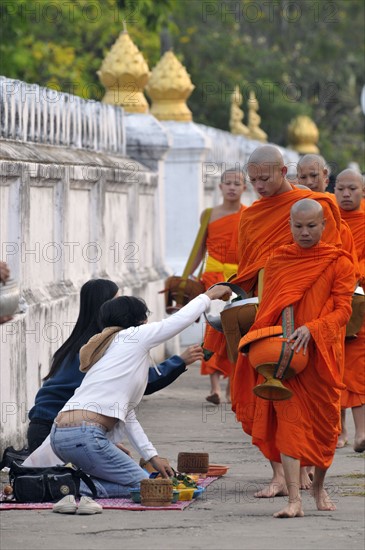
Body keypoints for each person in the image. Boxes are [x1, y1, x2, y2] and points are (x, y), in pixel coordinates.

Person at [228, 145, 348, 497]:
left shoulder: (319, 207)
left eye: (265, 178)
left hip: (317, 315)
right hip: (271, 312)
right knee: (272, 393)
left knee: (315, 398)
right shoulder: (251, 216)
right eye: (253, 180)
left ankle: (307, 470)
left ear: (283, 171)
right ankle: (281, 476)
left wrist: (320, 323)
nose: (259, 186)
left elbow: (334, 258)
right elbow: (248, 269)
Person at [49, 284, 231, 498]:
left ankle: (66, 482)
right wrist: (209, 296)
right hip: (84, 436)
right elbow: (177, 322)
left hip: (59, 436)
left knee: (143, 481)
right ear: (139, 320)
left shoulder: (111, 349)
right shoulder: (134, 335)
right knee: (146, 487)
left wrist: (153, 457)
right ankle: (61, 488)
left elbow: (129, 417)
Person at [240, 199, 355, 518]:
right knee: (289, 427)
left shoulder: (339, 262)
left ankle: (318, 486)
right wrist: (264, 342)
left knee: (325, 431)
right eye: (298, 226)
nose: (304, 232)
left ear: (323, 225)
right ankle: (294, 500)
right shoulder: (278, 260)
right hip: (286, 355)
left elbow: (344, 310)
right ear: (290, 226)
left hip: (323, 356)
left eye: (311, 226)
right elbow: (267, 308)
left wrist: (314, 328)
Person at [27, 278, 204, 453]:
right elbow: (142, 383)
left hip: (51, 428)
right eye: (117, 299)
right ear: (105, 306)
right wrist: (179, 362)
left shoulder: (81, 342)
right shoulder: (96, 347)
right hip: (57, 431)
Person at [189, 169, 246, 405]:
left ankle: (234, 387)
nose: (232, 187)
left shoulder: (249, 215)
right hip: (212, 278)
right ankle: (215, 388)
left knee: (235, 332)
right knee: (213, 331)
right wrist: (187, 277)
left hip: (238, 278)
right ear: (220, 187)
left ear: (245, 188)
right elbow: (199, 248)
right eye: (228, 183)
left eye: (238, 183)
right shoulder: (209, 215)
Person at [334, 169, 365, 452]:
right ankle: (338, 430)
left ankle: (360, 433)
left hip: (359, 303)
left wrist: (355, 272)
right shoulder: (327, 219)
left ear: (362, 191)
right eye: (341, 188)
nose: (346, 194)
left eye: (352, 189)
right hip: (331, 301)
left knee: (356, 368)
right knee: (333, 367)